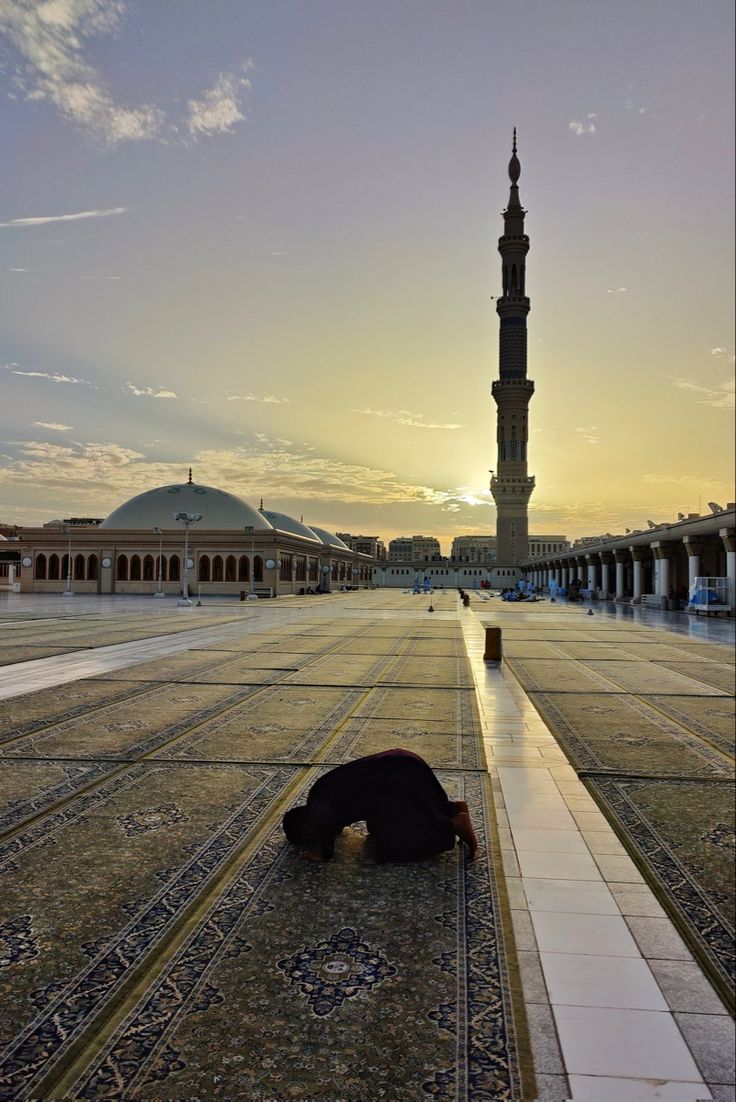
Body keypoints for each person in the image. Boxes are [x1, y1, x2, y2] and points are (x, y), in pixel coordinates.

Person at [282, 749, 478, 863]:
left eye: (309, 835)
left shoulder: (319, 807)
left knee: (391, 848)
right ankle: (454, 809)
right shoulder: (320, 795)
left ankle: (454, 825)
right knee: (381, 828)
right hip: (402, 762)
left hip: (397, 778)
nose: (313, 837)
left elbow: (323, 823)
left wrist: (323, 853)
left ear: (306, 823)